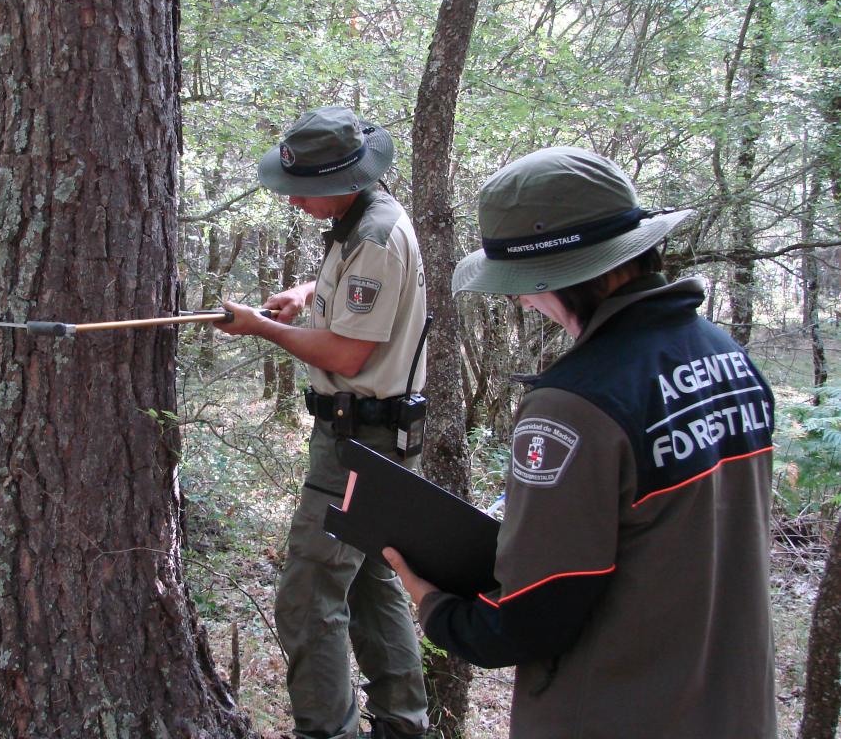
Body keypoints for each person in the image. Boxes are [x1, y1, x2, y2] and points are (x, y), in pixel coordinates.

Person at [383, 146, 777, 738]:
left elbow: (527, 619)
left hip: (620, 711)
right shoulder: (729, 357)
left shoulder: (572, 407)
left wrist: (434, 605)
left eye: (522, 282)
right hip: (734, 706)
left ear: (568, 273)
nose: (518, 298)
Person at [215, 106, 430, 739]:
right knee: (369, 585)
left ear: (345, 178)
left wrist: (263, 327)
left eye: (304, 192)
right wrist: (308, 292)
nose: (296, 203)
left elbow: (345, 354)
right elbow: (363, 294)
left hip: (361, 445)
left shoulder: (374, 234)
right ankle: (402, 725)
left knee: (308, 600)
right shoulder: (360, 221)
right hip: (369, 436)